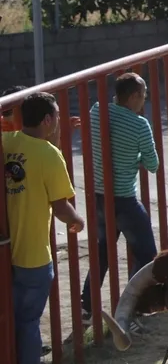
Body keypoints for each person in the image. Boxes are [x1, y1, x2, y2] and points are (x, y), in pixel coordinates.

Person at [4, 92, 84, 364]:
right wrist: (77, 220)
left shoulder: (5, 142)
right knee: (28, 322)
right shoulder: (49, 155)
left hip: (6, 249)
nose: (61, 120)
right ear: (48, 120)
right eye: (59, 116)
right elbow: (61, 207)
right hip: (32, 255)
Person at [80, 73, 159, 328]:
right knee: (146, 253)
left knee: (102, 251)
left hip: (99, 198)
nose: (144, 101)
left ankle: (87, 306)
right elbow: (153, 164)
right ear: (135, 96)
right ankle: (132, 306)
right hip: (124, 198)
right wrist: (135, 156)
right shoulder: (139, 125)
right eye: (144, 95)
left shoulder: (96, 111)